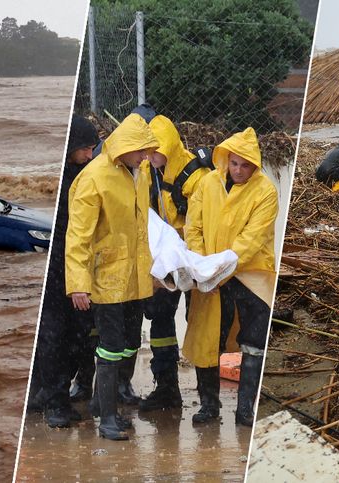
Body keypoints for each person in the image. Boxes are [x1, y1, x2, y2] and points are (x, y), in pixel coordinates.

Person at [65, 113, 158, 441]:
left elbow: (142, 227)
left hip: (134, 278)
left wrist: (152, 271)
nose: (146, 156)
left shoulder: (139, 172)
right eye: (142, 150)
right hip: (107, 280)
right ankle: (106, 419)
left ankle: (105, 408)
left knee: (128, 344)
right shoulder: (94, 178)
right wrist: (78, 284)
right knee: (109, 347)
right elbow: (78, 236)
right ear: (126, 148)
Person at [183, 127, 278, 427]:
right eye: (234, 163)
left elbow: (252, 239)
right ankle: (209, 406)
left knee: (253, 340)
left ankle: (245, 409)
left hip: (251, 277)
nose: (238, 170)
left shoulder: (265, 191)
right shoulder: (208, 183)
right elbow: (193, 226)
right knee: (207, 340)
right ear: (226, 159)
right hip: (209, 275)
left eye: (245, 165)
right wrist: (202, 264)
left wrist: (222, 266)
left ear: (254, 165)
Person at [30, 115, 100, 428]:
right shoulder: (61, 178)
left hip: (77, 268)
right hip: (55, 267)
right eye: (85, 148)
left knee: (77, 335)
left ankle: (51, 396)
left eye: (92, 148)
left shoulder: (86, 174)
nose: (89, 154)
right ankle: (53, 402)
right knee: (53, 336)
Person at [138, 114, 212, 412]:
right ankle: (166, 388)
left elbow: (202, 223)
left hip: (194, 259)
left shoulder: (197, 177)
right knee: (160, 319)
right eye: (147, 151)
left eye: (155, 151)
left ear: (168, 146)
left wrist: (194, 262)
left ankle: (208, 398)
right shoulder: (146, 172)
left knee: (202, 325)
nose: (151, 157)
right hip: (166, 261)